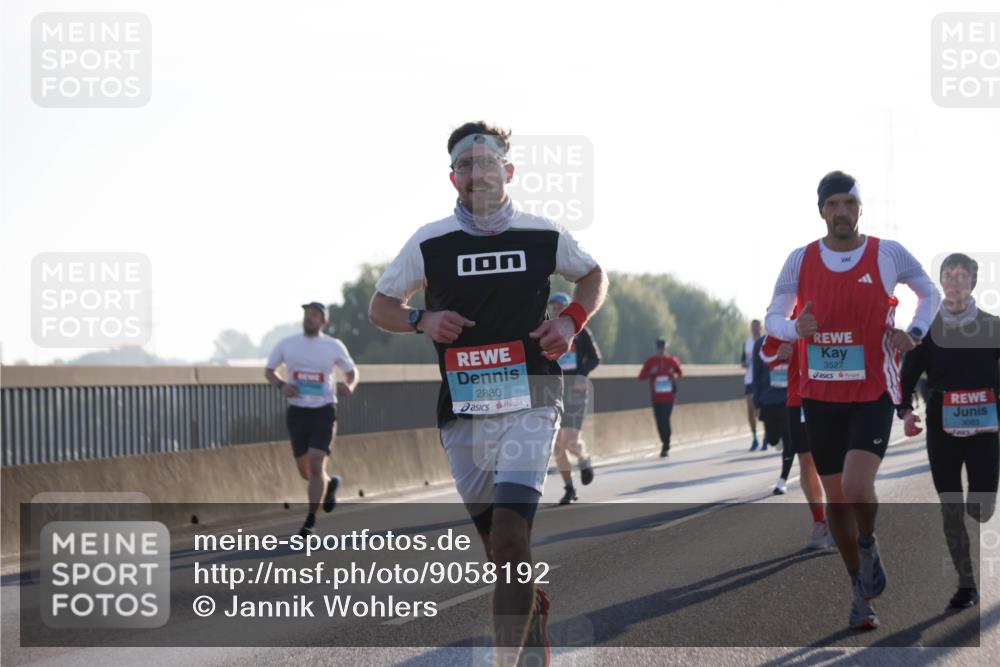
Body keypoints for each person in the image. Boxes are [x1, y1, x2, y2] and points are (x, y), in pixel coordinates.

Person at [368, 121, 607, 667]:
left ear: (509, 171)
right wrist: (422, 319)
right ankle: (533, 610)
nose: (477, 173)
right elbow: (381, 306)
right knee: (501, 557)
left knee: (508, 537)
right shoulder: (429, 242)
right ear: (453, 177)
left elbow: (593, 275)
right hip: (464, 411)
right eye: (466, 165)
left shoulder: (543, 233)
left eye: (487, 162)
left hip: (532, 400)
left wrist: (571, 320)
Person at [765, 170, 940, 630]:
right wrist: (792, 328)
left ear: (861, 208)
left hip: (872, 390)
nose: (840, 211)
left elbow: (929, 292)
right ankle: (859, 590)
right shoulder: (800, 260)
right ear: (821, 210)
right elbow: (773, 317)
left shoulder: (888, 254)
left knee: (859, 488)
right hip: (820, 396)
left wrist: (915, 333)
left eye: (848, 203)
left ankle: (868, 540)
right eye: (832, 204)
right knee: (837, 500)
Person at [898, 253, 999, 609]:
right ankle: (967, 584)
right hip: (942, 429)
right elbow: (905, 378)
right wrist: (907, 412)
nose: (954, 281)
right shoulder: (929, 332)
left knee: (982, 507)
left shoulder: (991, 326)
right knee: (950, 507)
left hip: (986, 429)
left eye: (961, 276)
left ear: (972, 282)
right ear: (941, 283)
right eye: (948, 275)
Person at [265, 302, 359, 537]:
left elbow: (352, 372)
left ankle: (310, 521)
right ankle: (330, 484)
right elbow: (269, 370)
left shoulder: (333, 346)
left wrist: (349, 385)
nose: (309, 318)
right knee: (306, 471)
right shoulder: (287, 344)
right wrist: (281, 384)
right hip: (297, 412)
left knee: (316, 463)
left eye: (315, 315)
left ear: (323, 321)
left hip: (323, 410)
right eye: (307, 314)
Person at [760, 332, 834, 550]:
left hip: (837, 394)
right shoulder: (786, 317)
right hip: (799, 398)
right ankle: (820, 522)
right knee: (806, 460)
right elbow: (765, 353)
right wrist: (778, 354)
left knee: (836, 460)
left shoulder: (839, 304)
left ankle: (838, 518)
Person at [547, 292, 602, 505]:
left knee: (570, 441)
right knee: (557, 444)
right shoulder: (543, 332)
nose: (556, 310)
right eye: (552, 306)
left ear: (568, 308)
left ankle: (583, 458)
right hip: (552, 392)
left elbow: (595, 358)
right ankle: (569, 488)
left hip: (576, 391)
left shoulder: (580, 333)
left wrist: (582, 373)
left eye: (560, 306)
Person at [750, 334, 789, 491]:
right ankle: (778, 440)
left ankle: (782, 480)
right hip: (768, 398)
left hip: (789, 397)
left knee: (789, 438)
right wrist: (756, 401)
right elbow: (756, 374)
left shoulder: (791, 338)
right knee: (772, 439)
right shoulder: (760, 343)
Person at [639, 338, 684, 457]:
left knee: (665, 419)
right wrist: (651, 373)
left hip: (669, 397)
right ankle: (664, 441)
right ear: (656, 349)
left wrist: (674, 374)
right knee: (659, 421)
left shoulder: (672, 361)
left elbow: (680, 373)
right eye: (659, 349)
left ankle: (666, 444)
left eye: (663, 349)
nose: (661, 351)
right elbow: (641, 376)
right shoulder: (650, 361)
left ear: (665, 349)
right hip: (656, 397)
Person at [742, 320, 763, 450]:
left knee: (763, 411)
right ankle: (755, 438)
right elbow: (742, 362)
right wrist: (747, 363)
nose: (755, 329)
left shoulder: (765, 342)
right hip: (750, 380)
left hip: (762, 381)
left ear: (761, 328)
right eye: (752, 326)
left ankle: (767, 436)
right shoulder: (747, 344)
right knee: (750, 410)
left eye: (757, 326)